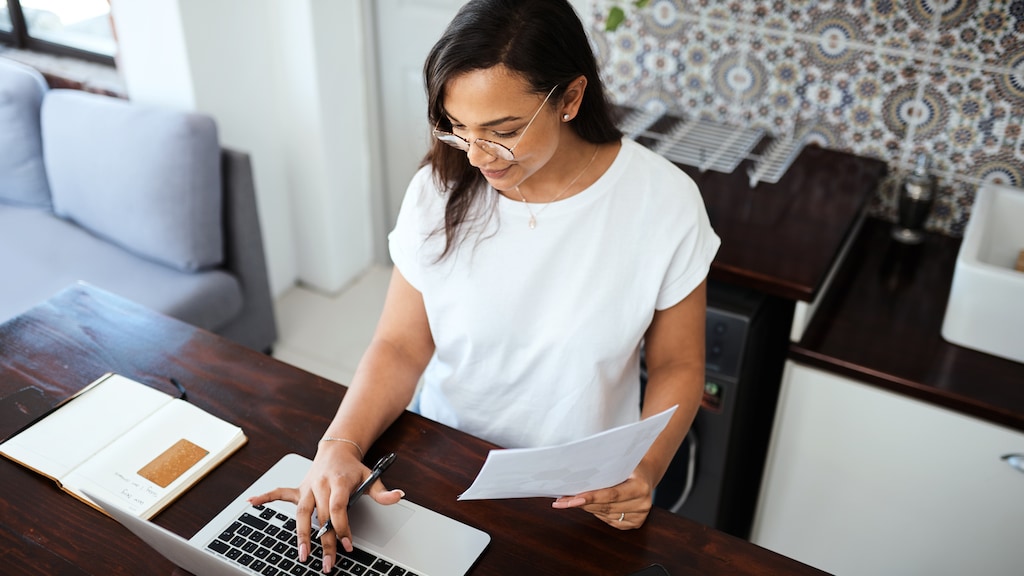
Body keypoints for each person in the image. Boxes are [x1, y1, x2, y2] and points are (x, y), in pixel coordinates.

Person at [250, 0, 720, 571]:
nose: (476, 157)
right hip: (442, 462)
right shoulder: (438, 188)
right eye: (458, 129)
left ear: (570, 98)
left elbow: (677, 364)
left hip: (580, 490)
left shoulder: (662, 202)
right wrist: (338, 446)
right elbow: (401, 345)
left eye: (503, 132)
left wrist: (643, 469)